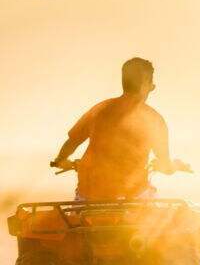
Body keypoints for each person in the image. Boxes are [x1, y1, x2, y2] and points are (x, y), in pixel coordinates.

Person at [51, 57, 187, 199]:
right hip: (131, 196)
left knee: (77, 214)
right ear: (146, 84)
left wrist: (61, 160)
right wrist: (175, 166)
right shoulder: (154, 119)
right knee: (156, 210)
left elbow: (71, 142)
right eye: (152, 84)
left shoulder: (99, 110)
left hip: (88, 194)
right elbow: (165, 164)